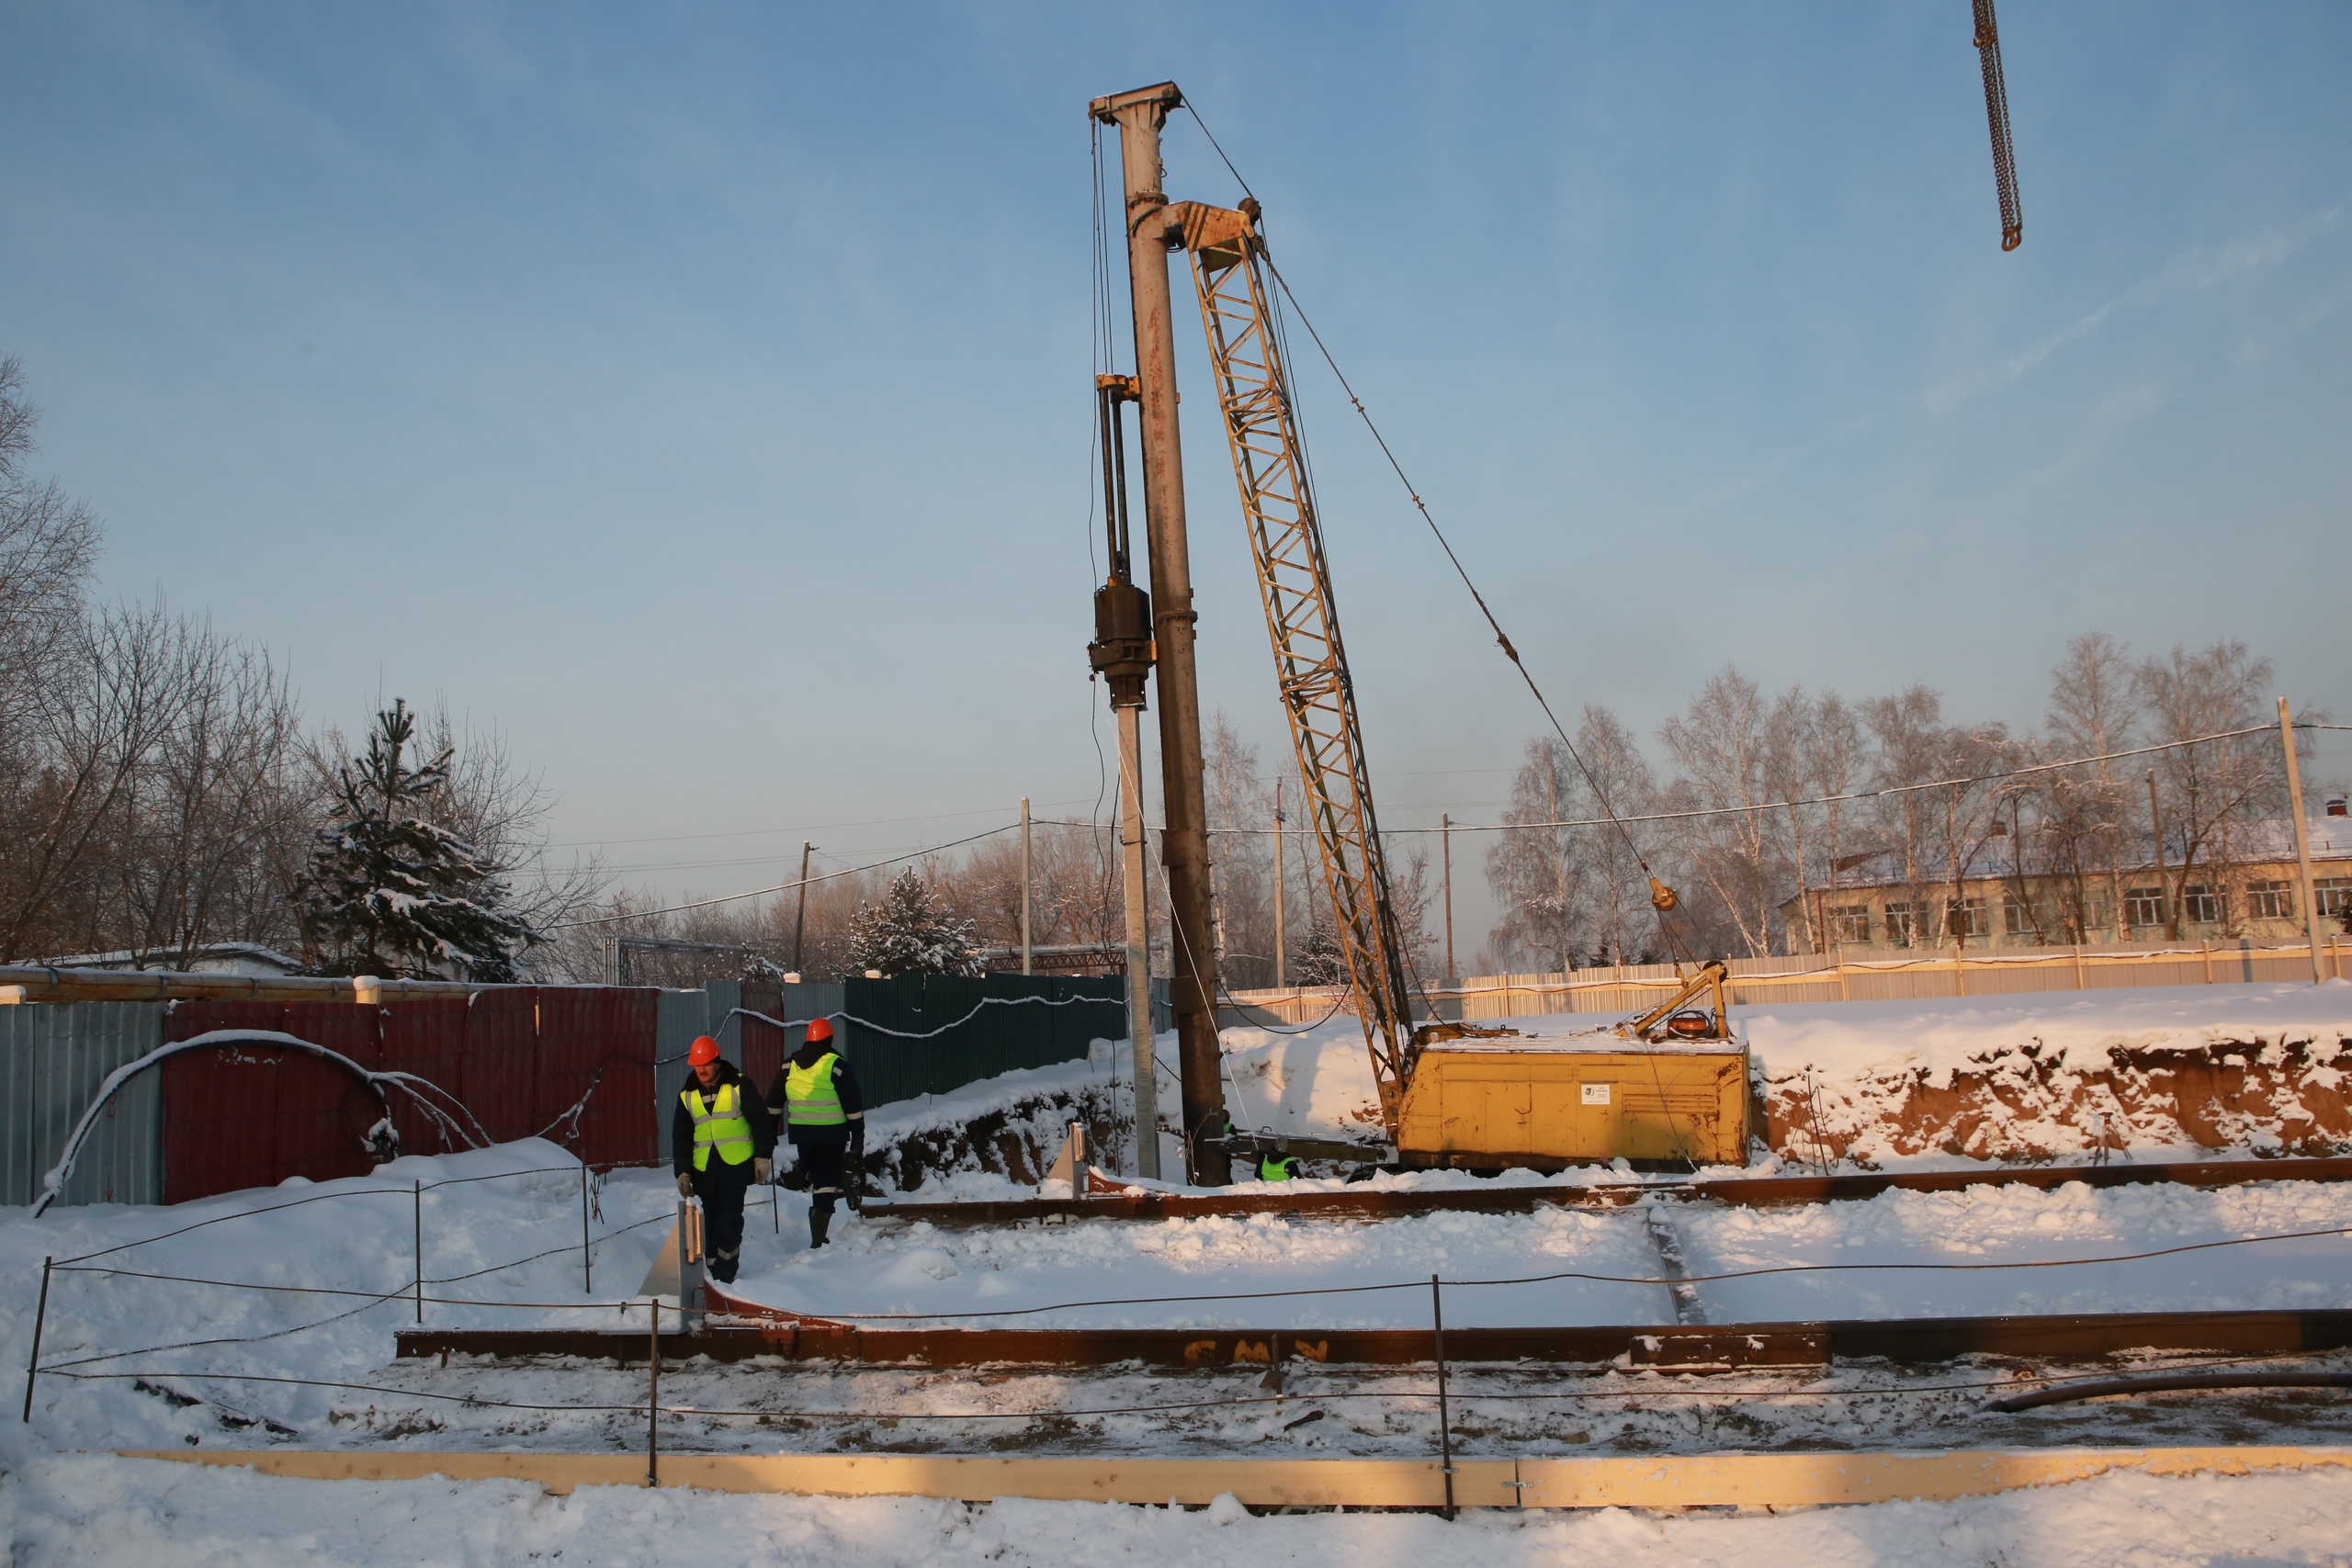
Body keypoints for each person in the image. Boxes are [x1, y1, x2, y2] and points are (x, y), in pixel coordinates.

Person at [671, 1035, 775, 1285]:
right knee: (710, 1227)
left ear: (716, 1062)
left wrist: (762, 1157)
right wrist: (683, 1172)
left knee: (728, 1222)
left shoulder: (739, 1086)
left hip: (735, 1168)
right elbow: (681, 1137)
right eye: (697, 1066)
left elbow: (761, 1123)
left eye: (706, 1064)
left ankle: (726, 1273)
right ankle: (712, 1275)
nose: (701, 1070)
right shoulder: (687, 1096)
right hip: (704, 1171)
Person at [765, 1016, 865, 1248]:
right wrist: (858, 1137)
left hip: (803, 1135)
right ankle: (819, 1237)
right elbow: (852, 1104)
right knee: (825, 1181)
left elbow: (773, 1102)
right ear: (829, 1039)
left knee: (816, 1176)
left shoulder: (788, 1066)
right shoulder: (837, 1066)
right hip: (832, 1134)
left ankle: (819, 1234)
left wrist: (769, 1132)